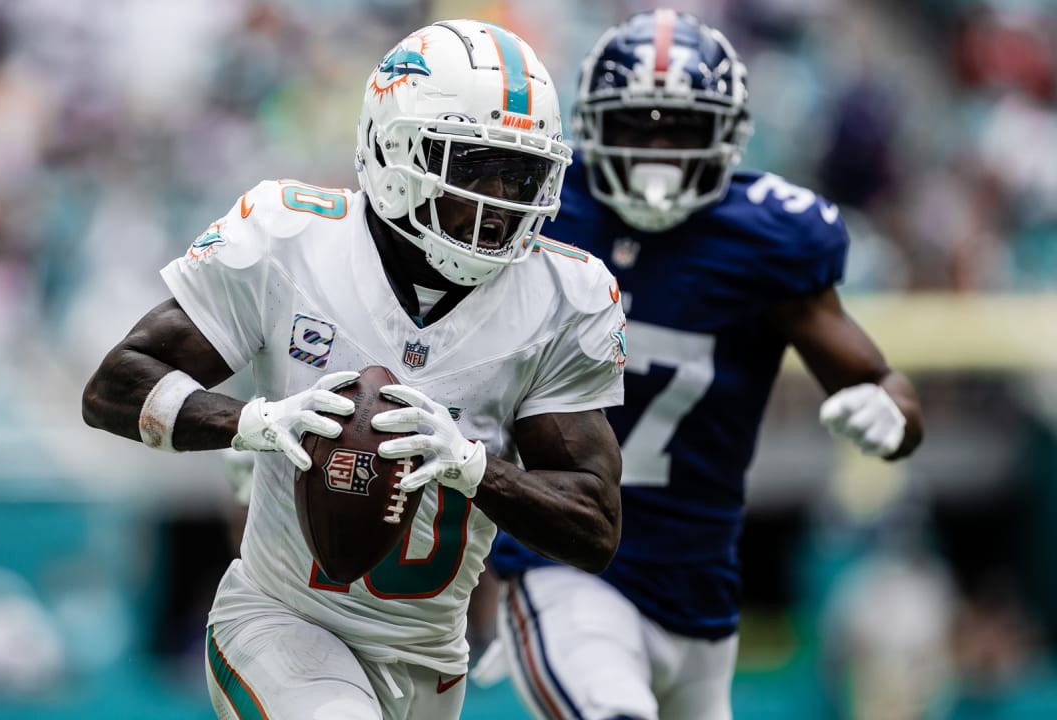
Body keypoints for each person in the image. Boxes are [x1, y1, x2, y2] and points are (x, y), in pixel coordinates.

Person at [81, 19, 628, 720]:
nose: (499, 203)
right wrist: (251, 422)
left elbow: (595, 527)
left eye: (520, 173)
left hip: (430, 660)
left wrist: (471, 466)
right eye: (471, 166)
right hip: (280, 621)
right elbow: (115, 386)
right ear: (393, 149)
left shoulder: (563, 297)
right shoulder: (292, 239)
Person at [487, 9, 925, 720]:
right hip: (562, 564)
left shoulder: (767, 240)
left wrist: (892, 416)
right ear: (593, 125)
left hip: (701, 592)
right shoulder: (540, 213)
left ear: (728, 135)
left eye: (681, 129)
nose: (658, 152)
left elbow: (885, 385)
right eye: (637, 126)